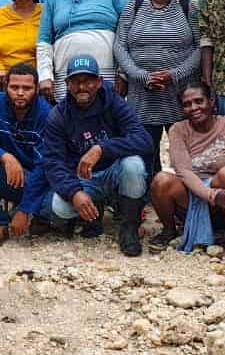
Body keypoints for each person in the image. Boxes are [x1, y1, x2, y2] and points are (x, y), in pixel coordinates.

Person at [42, 54, 152, 256]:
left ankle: (129, 227)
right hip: (84, 178)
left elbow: (144, 141)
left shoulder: (114, 103)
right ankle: (93, 213)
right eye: (76, 81)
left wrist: (102, 148)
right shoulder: (58, 115)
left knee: (134, 165)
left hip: (113, 172)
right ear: (67, 84)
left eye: (88, 81)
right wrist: (75, 193)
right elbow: (52, 162)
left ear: (99, 82)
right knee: (59, 208)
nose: (82, 87)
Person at [114, 0, 200, 172]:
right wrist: (142, 76)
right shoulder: (133, 5)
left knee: (187, 152)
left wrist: (174, 74)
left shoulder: (189, 5)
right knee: (145, 153)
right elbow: (120, 45)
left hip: (179, 93)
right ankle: (147, 195)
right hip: (141, 94)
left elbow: (201, 48)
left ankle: (187, 197)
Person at [150, 81, 225, 252]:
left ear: (211, 101)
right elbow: (184, 171)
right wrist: (212, 195)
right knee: (161, 180)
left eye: (199, 101)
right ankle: (169, 230)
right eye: (187, 104)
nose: (193, 108)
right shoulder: (178, 130)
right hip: (194, 195)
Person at [0, 63, 54, 249]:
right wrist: (5, 157)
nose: (20, 93)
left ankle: (36, 216)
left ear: (37, 89)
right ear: (6, 86)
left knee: (56, 207)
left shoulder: (47, 114)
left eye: (27, 88)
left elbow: (45, 167)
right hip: (7, 172)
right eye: (14, 87)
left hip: (34, 178)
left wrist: (25, 209)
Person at [36, 0, 129, 103]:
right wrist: (45, 76)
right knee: (69, 123)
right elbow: (44, 41)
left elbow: (130, 30)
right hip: (66, 76)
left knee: (105, 122)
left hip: (106, 74)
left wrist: (123, 74)